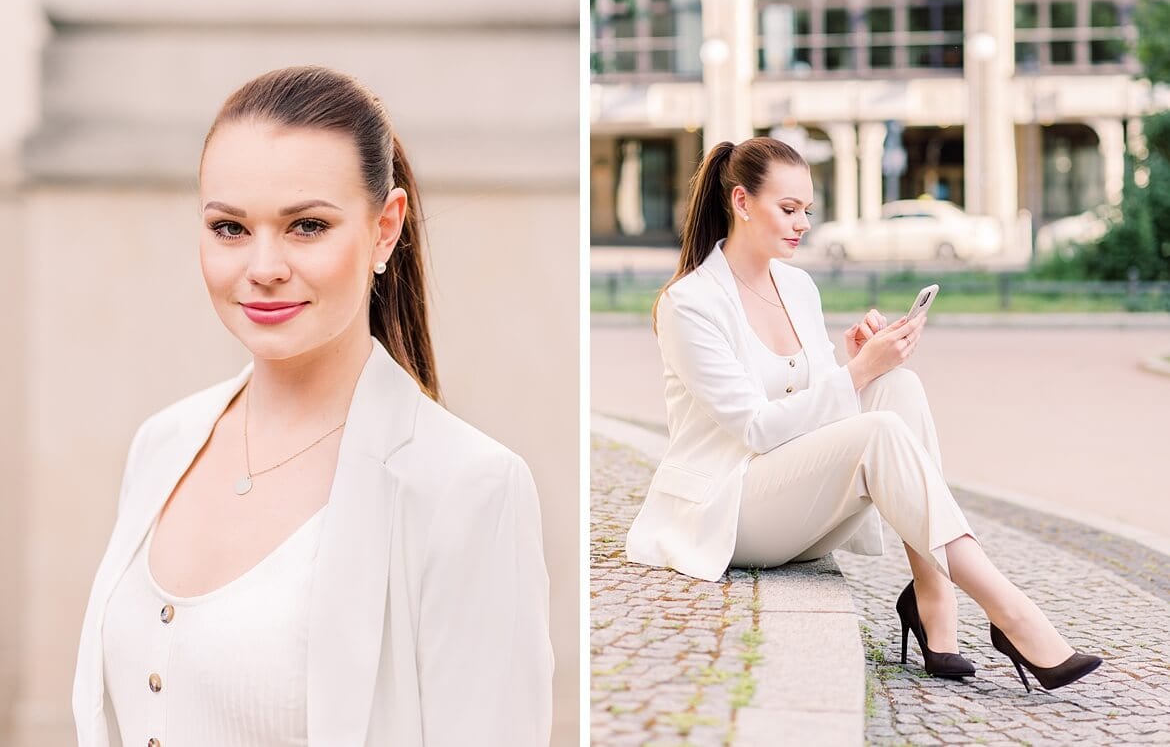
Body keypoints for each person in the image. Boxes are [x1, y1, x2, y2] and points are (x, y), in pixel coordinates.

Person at [72, 66, 553, 746]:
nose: (263, 266)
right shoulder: (162, 443)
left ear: (384, 229)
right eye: (230, 228)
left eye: (306, 226)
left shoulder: (469, 487)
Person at [626, 137, 1100, 692]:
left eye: (808, 210)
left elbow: (814, 406)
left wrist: (860, 364)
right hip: (728, 512)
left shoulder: (797, 286)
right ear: (741, 201)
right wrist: (854, 374)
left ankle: (932, 598)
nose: (802, 223)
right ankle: (1012, 613)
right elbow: (756, 428)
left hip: (794, 505)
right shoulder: (689, 303)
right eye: (788, 209)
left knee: (898, 386)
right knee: (876, 426)